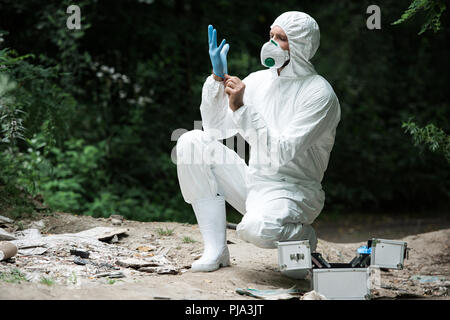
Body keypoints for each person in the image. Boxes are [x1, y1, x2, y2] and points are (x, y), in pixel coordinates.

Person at [176, 11, 341, 272]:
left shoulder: (319, 94)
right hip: (254, 182)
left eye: (282, 38)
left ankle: (303, 239)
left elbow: (281, 152)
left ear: (301, 45)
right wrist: (217, 80)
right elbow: (215, 128)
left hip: (294, 191)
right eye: (271, 36)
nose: (272, 44)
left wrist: (242, 109)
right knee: (191, 142)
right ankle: (216, 250)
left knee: (258, 229)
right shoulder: (258, 81)